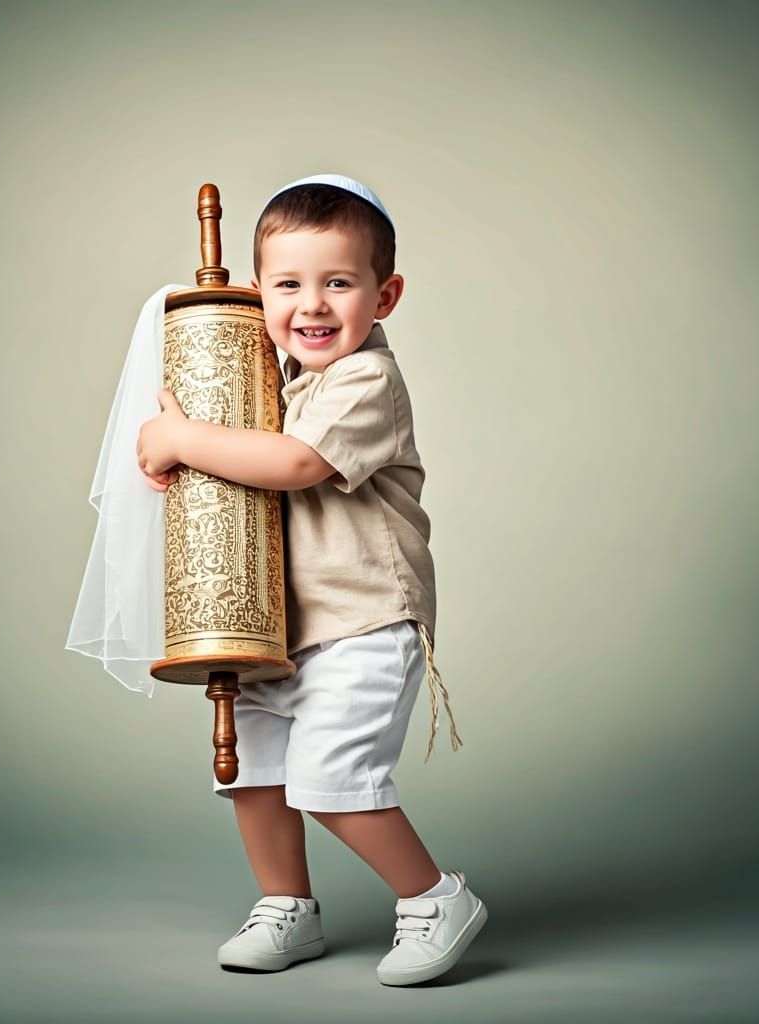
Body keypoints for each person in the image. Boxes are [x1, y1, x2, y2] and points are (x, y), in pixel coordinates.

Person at [136, 174, 486, 986]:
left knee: (330, 779)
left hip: (364, 620)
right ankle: (286, 906)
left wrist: (181, 437)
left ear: (385, 295)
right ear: (259, 295)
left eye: (339, 282)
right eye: (288, 285)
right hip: (283, 630)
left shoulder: (367, 381)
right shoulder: (278, 385)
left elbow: (295, 465)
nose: (313, 306)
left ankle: (435, 897)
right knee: (252, 776)